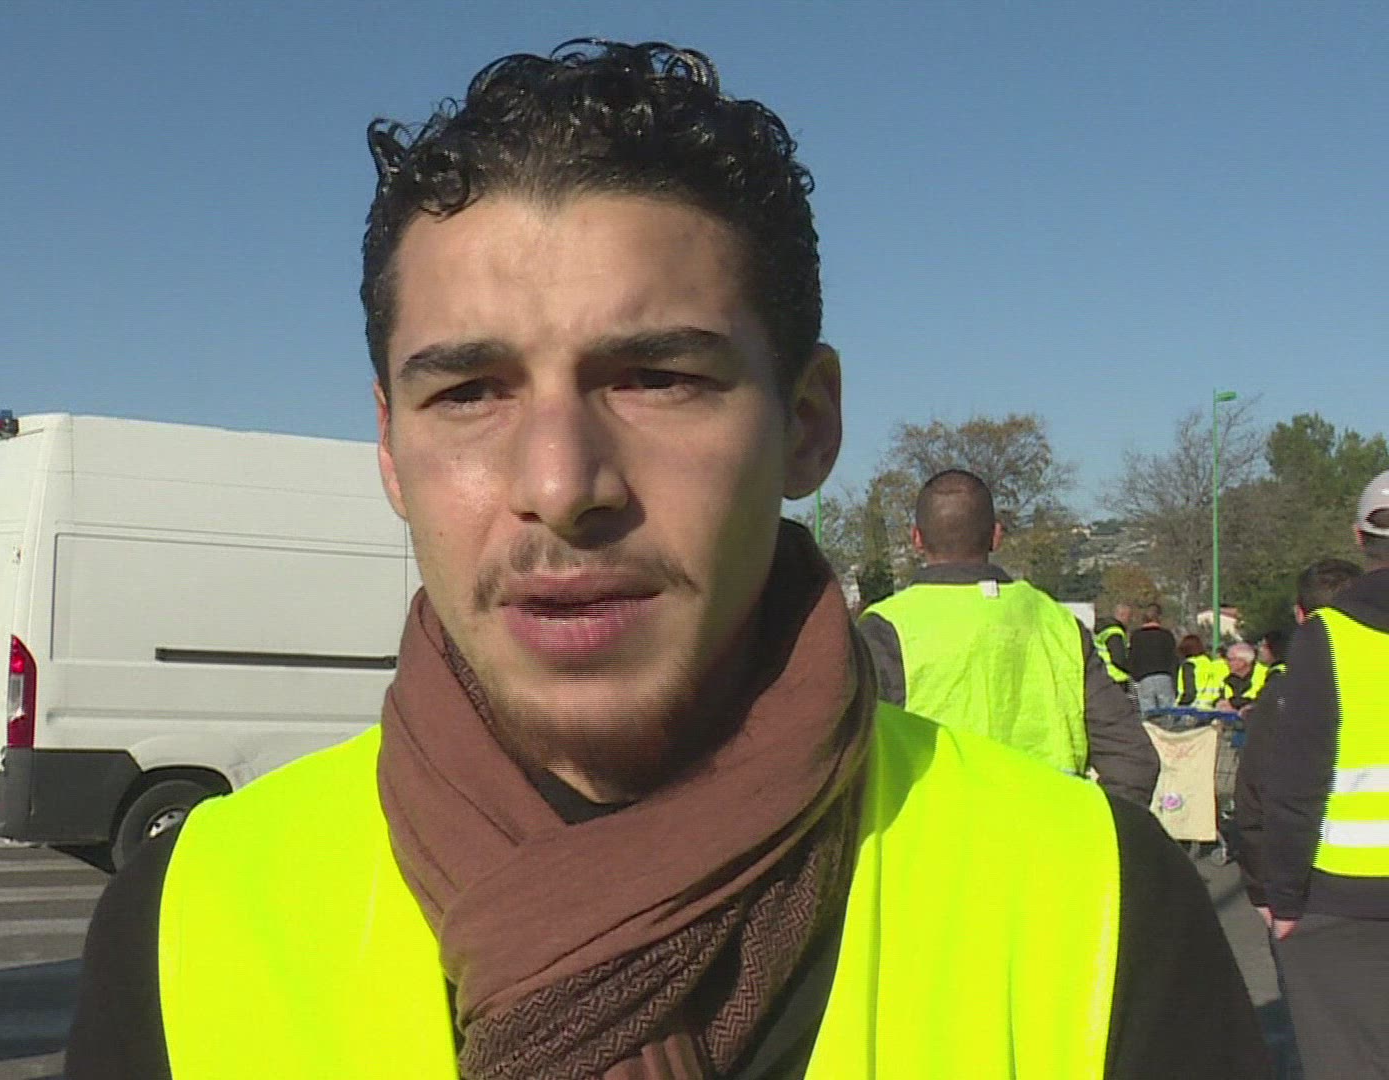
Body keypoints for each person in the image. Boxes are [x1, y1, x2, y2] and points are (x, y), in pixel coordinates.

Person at [66, 40, 1267, 1079]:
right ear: (390, 449)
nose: (561, 485)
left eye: (655, 377)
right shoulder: (185, 922)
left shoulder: (1101, 907)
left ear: (808, 424)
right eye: (470, 392)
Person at [858, 470, 1158, 805]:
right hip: (1047, 830)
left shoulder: (884, 628)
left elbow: (847, 765)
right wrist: (1086, 830)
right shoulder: (1059, 624)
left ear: (916, 538)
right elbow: (1134, 762)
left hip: (932, 833)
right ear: (996, 536)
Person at [1258, 470, 1389, 1078]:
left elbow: (1296, 783)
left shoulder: (1327, 637)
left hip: (1343, 901)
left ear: (1360, 539)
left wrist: (1283, 898)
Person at [1235, 558, 1361, 918]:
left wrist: (1266, 894)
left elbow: (1255, 797)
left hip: (1316, 888)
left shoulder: (1286, 694)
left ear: (1301, 616)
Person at [1128, 602, 1180, 715]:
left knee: (1148, 712)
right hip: (1164, 676)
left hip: (1144, 677)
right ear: (1159, 617)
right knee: (1168, 711)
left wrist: (1135, 676)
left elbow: (1132, 658)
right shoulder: (1167, 635)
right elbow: (1174, 659)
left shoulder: (1136, 636)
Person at [1217, 642, 1269, 713]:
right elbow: (1219, 699)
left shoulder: (1266, 675)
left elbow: (1266, 700)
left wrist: (1234, 703)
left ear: (1243, 661)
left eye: (1230, 659)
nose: (1226, 663)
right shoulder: (1227, 679)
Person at [1093, 602, 1134, 691]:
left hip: (1102, 674)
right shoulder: (1115, 632)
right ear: (1122, 615)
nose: (1130, 620)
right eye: (1129, 617)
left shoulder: (1103, 631)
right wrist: (1131, 669)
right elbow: (1118, 658)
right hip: (1115, 677)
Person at [1176, 633, 1219, 710]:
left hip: (1194, 708)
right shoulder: (1209, 663)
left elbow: (1189, 693)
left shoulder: (1189, 665)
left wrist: (1179, 706)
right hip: (1210, 707)